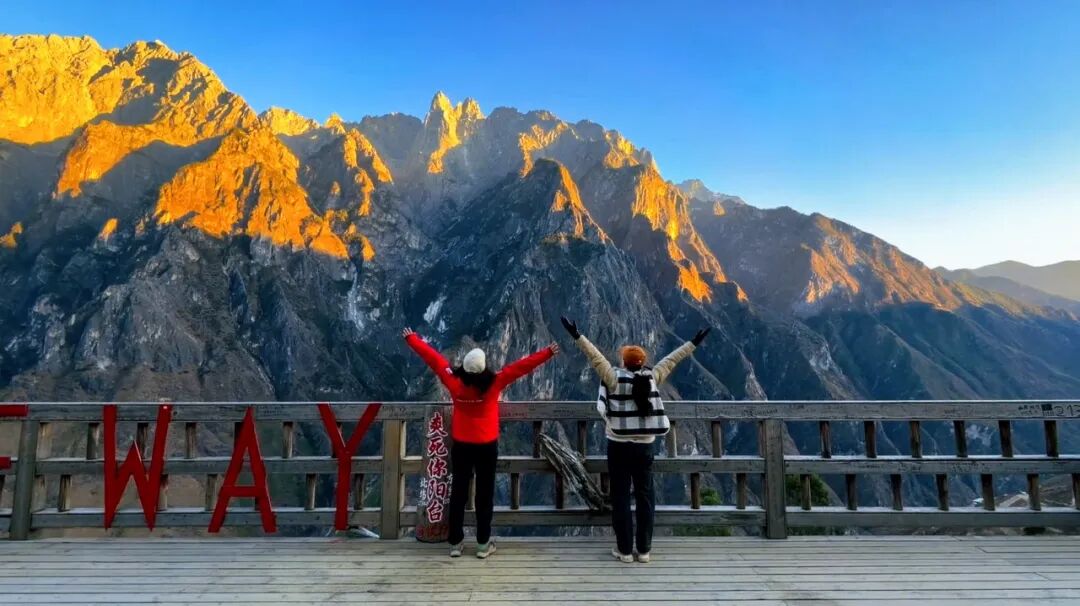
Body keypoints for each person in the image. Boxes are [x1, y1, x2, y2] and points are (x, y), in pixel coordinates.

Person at [560, 317, 709, 563]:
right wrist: (693, 343)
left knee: (620, 496)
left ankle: (625, 550)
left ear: (624, 362)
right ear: (643, 362)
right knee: (645, 496)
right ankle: (644, 550)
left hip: (618, 446)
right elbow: (672, 360)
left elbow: (595, 357)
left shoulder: (613, 378)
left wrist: (577, 335)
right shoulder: (652, 377)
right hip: (645, 448)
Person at [403, 328, 558, 558]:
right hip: (486, 446)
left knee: (458, 492)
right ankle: (483, 544)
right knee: (484, 495)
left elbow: (434, 359)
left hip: (462, 445)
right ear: (484, 368)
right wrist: (547, 352)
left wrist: (412, 339)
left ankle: (455, 543)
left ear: (464, 368)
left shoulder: (454, 383)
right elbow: (521, 367)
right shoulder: (494, 383)